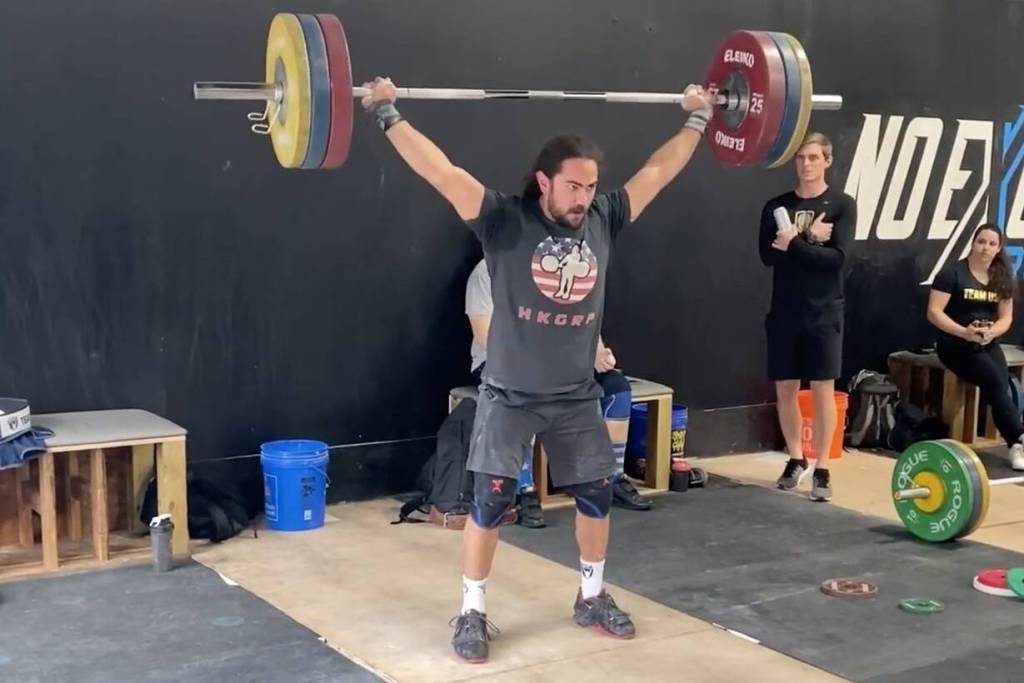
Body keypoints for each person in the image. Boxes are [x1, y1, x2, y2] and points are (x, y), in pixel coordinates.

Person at [360, 76, 713, 663]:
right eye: (573, 185)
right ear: (544, 180)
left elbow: (657, 172)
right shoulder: (502, 220)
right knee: (490, 502)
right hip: (508, 394)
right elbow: (442, 172)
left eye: (590, 186)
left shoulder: (604, 217)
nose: (583, 196)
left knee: (597, 495)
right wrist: (386, 111)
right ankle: (472, 610)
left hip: (576, 395)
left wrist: (698, 118)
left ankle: (592, 597)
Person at [466, 259, 652, 517]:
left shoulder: (559, 276)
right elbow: (484, 335)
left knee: (616, 388)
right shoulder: (488, 271)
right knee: (527, 391)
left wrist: (597, 353)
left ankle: (612, 478)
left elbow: (583, 324)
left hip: (563, 366)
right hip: (503, 364)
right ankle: (523, 490)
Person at [758, 132, 856, 502]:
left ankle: (823, 468)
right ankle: (795, 459)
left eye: (814, 157)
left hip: (824, 310)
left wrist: (798, 243)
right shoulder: (775, 205)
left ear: (827, 160)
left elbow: (838, 261)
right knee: (785, 387)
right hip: (785, 310)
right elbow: (768, 255)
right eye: (801, 158)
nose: (806, 164)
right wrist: (811, 240)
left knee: (822, 389)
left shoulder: (842, 205)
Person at [927, 224, 1024, 471]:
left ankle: (1015, 444)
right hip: (954, 344)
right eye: (981, 242)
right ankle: (1018, 438)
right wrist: (964, 333)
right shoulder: (952, 273)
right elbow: (934, 313)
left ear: (999, 248)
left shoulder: (1002, 276)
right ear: (973, 242)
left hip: (986, 343)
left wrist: (992, 332)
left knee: (1001, 382)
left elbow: (1006, 318)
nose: (985, 248)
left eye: (992, 244)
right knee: (993, 380)